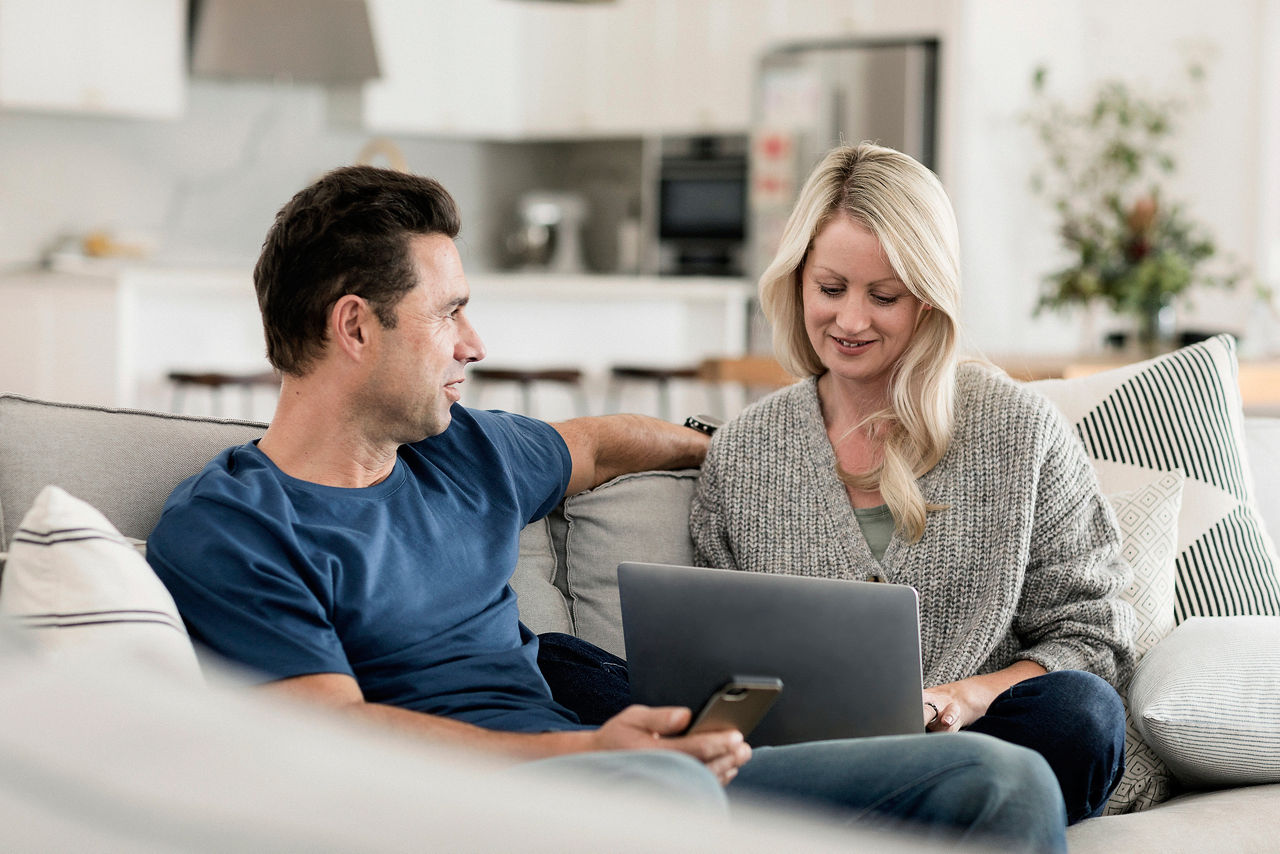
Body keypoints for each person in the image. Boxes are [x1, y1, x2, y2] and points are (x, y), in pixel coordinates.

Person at [147, 164, 1068, 852]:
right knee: (674, 801)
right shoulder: (236, 526)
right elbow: (333, 732)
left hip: (614, 771)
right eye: (449, 313)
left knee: (1003, 781)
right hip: (493, 805)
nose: (475, 342)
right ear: (355, 327)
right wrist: (586, 756)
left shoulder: (460, 452)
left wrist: (739, 448)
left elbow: (597, 444)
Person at [690, 142, 1133, 825]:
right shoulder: (744, 452)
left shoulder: (1018, 429)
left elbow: (1093, 639)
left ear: (929, 297)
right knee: (571, 671)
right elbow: (717, 661)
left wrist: (963, 697)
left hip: (983, 747)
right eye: (830, 289)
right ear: (797, 280)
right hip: (812, 763)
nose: (851, 321)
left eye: (884, 296)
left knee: (1082, 714)